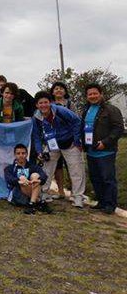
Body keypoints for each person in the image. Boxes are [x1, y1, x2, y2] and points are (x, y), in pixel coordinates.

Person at [31, 91, 85, 207]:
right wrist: (39, 151)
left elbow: (77, 121)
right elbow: (36, 135)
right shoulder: (36, 117)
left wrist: (76, 140)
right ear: (37, 105)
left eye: (46, 102)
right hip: (52, 144)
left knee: (76, 170)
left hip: (69, 142)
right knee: (46, 168)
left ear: (50, 102)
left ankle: (78, 197)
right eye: (40, 103)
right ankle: (43, 192)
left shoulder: (61, 111)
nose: (43, 105)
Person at [81, 83, 124, 214]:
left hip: (106, 151)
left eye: (95, 93)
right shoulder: (86, 110)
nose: (92, 96)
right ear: (87, 96)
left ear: (101, 94)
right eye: (90, 94)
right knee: (95, 178)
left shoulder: (111, 109)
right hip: (91, 151)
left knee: (107, 178)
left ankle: (110, 205)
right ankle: (101, 201)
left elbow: (118, 128)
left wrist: (105, 143)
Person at [4, 143, 51, 214]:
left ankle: (32, 204)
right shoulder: (9, 168)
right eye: (18, 153)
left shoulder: (32, 166)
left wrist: (39, 180)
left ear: (26, 154)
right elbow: (9, 179)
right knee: (22, 178)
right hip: (18, 194)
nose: (21, 155)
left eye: (23, 153)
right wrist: (18, 181)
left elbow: (43, 175)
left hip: (32, 188)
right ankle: (38, 201)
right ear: (15, 155)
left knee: (35, 175)